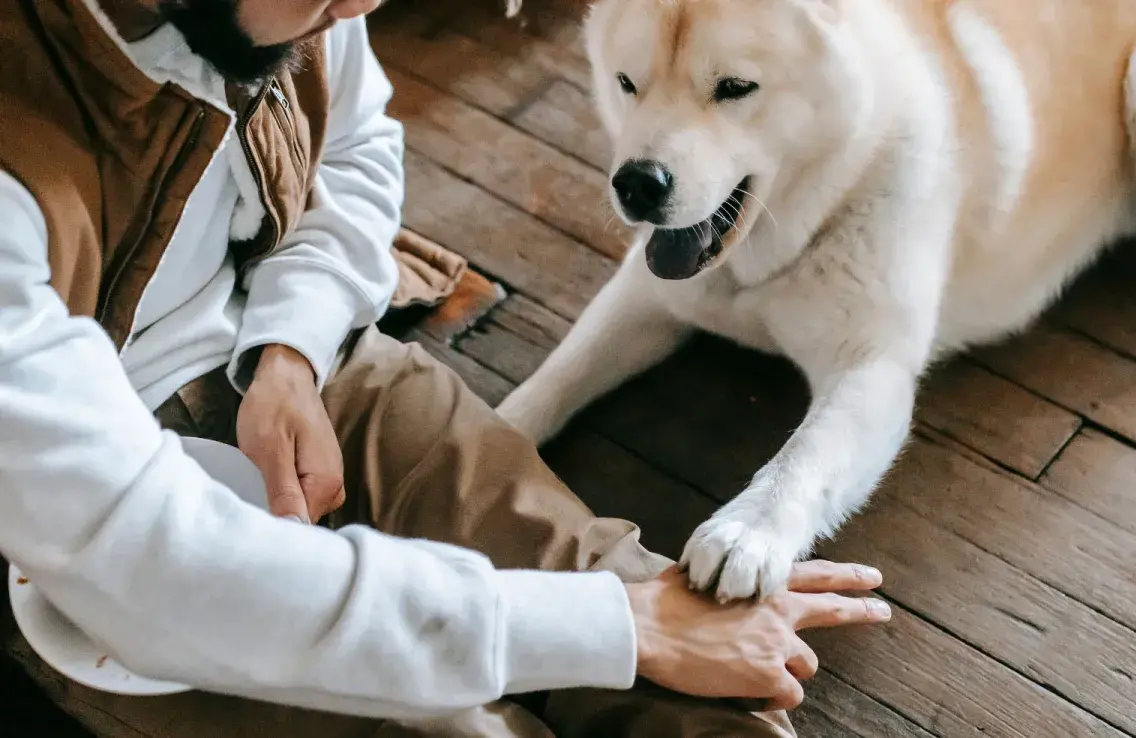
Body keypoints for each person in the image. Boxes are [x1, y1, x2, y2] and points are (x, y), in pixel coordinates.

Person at [0, 1, 892, 736]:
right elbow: (153, 566)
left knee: (670, 655)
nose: (359, 9)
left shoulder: (296, 8)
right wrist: (614, 629)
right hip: (49, 542)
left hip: (301, 371)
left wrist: (291, 348)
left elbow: (354, 147)